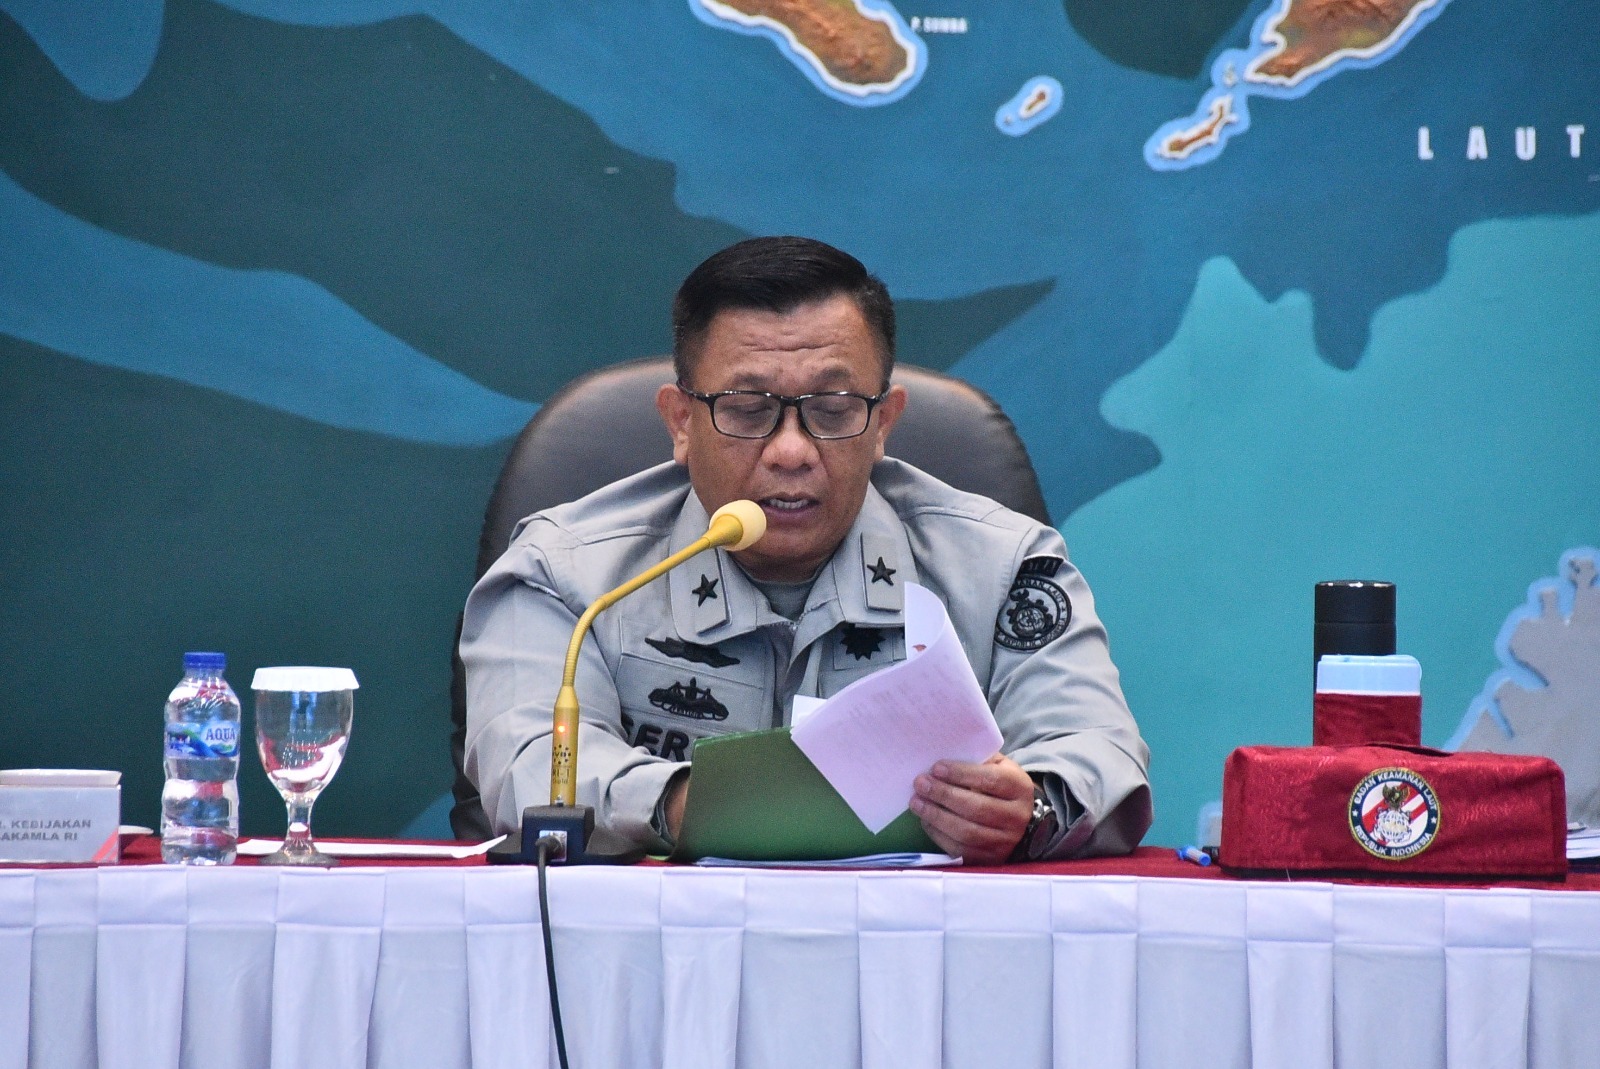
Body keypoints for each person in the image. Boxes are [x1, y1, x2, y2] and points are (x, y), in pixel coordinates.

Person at [460, 236, 1150, 863]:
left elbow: (1101, 752)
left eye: (834, 409)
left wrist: (1028, 812)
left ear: (883, 423)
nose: (791, 451)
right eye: (746, 409)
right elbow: (526, 773)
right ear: (680, 422)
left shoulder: (1001, 568)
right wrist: (691, 809)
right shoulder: (564, 574)